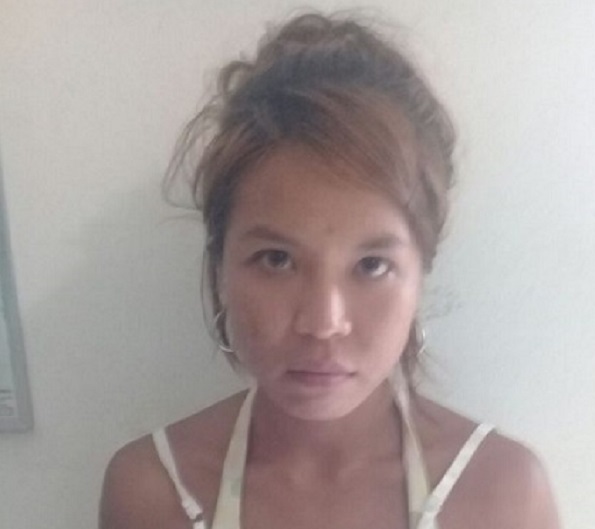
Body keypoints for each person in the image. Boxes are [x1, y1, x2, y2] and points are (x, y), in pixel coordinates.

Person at [99, 12, 560, 529]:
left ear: (421, 273)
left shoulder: (502, 494)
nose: (322, 323)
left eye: (371, 265)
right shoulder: (153, 490)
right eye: (277, 260)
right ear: (220, 265)